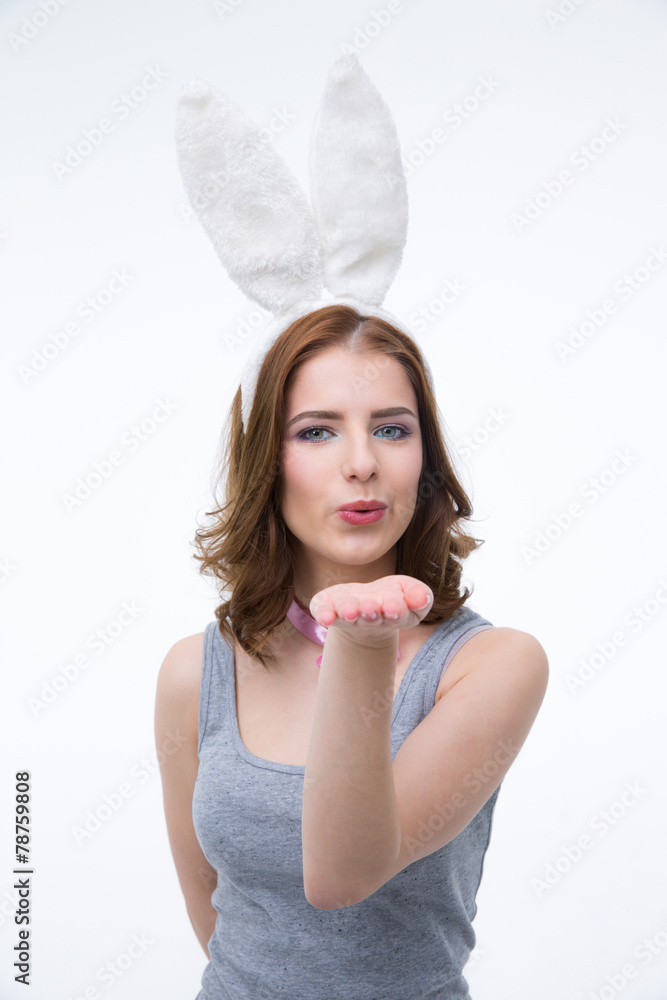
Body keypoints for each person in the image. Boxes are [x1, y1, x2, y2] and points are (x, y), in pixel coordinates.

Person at [157, 52, 548, 998]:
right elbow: (218, 924)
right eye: (317, 430)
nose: (361, 461)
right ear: (267, 460)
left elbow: (340, 875)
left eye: (392, 428)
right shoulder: (193, 674)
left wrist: (364, 650)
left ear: (426, 457)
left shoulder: (492, 666)